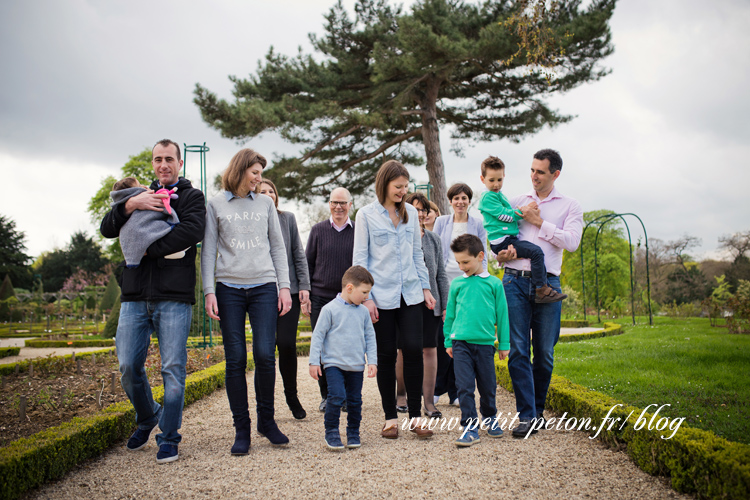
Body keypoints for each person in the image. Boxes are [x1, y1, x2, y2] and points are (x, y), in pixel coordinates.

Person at [100, 139, 206, 464]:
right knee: (128, 367)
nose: (164, 165)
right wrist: (131, 206)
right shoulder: (138, 196)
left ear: (179, 163)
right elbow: (107, 228)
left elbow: (192, 231)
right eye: (158, 159)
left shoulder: (192, 197)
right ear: (152, 164)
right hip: (133, 297)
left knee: (173, 370)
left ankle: (169, 437)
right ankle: (148, 416)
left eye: (169, 159)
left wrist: (146, 248)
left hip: (173, 296)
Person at [202, 148, 293, 454]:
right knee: (236, 359)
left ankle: (266, 421)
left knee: (266, 355)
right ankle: (242, 429)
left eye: (260, 173)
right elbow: (209, 250)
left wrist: (284, 287)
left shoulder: (266, 203)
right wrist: (208, 291)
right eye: (254, 172)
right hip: (228, 288)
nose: (259, 178)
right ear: (240, 170)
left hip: (264, 286)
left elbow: (278, 248)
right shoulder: (215, 204)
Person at [495, 148, 583, 438]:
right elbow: (497, 231)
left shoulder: (570, 206)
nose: (534, 176)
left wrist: (538, 222)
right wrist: (502, 253)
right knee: (519, 349)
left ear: (555, 174)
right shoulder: (517, 202)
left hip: (548, 284)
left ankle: (538, 410)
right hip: (513, 282)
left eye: (540, 171)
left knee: (544, 352)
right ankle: (527, 416)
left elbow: (571, 242)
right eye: (532, 170)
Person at [353, 159, 435, 439]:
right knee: (386, 355)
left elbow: (417, 255)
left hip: (410, 293)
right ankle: (390, 417)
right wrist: (367, 298)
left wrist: (425, 288)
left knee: (414, 349)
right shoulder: (365, 215)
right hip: (380, 297)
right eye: (398, 187)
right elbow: (360, 260)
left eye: (405, 187)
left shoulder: (412, 212)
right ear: (384, 185)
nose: (403, 191)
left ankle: (415, 417)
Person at [444, 234, 509, 447]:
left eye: (466, 262)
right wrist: (447, 341)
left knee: (488, 386)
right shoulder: (456, 285)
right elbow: (450, 316)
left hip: (485, 345)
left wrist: (504, 344)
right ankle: (470, 427)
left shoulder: (494, 284)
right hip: (460, 343)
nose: (462, 267)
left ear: (480, 256)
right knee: (464, 386)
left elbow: (502, 316)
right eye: (458, 263)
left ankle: (490, 417)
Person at [478, 156, 566, 303]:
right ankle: (542, 289)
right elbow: (505, 216)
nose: (496, 184)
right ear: (483, 179)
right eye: (491, 180)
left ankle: (540, 287)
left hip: (507, 240)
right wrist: (525, 212)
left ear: (504, 176)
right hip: (503, 241)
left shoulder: (499, 195)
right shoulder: (488, 198)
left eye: (499, 180)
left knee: (535, 252)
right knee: (536, 252)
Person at [308, 265, 378, 450]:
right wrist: (314, 361)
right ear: (349, 288)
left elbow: (370, 337)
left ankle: (353, 432)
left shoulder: (363, 312)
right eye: (364, 292)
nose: (366, 297)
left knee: (355, 400)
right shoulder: (329, 310)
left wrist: (373, 361)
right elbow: (318, 336)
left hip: (356, 365)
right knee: (336, 396)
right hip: (333, 364)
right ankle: (331, 432)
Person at [258, 179, 311, 420]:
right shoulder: (252, 219)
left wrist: (304, 287)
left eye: (272, 191)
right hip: (261, 291)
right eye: (262, 191)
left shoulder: (287, 218)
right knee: (264, 350)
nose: (268, 194)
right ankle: (265, 405)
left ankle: (292, 395)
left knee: (287, 343)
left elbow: (298, 254)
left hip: (289, 291)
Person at [432, 182, 488, 407]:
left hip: (468, 283)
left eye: (464, 198)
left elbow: (482, 253)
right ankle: (437, 388)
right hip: (445, 284)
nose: (460, 202)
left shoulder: (478, 224)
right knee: (443, 337)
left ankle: (455, 391)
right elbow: (434, 251)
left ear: (469, 201)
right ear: (450, 201)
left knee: (461, 337)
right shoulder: (441, 222)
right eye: (456, 198)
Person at [395, 192, 450, 419]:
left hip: (431, 303)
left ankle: (429, 402)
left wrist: (445, 305)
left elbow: (441, 275)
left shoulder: (434, 239)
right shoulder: (398, 236)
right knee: (404, 349)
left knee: (430, 349)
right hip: (404, 301)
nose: (418, 213)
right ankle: (401, 395)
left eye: (422, 209)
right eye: (413, 208)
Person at [305, 187, 355, 412]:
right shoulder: (317, 230)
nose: (338, 206)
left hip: (349, 300)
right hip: (320, 298)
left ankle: (344, 394)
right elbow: (307, 264)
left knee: (346, 346)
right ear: (329, 204)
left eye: (343, 203)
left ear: (350, 205)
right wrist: (305, 295)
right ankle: (327, 395)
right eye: (334, 202)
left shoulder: (358, 231)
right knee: (322, 348)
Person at [109, 176, 187, 266]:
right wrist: (129, 206)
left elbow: (192, 230)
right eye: (139, 185)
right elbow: (106, 228)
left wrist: (149, 250)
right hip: (140, 272)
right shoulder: (123, 206)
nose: (143, 186)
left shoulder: (191, 195)